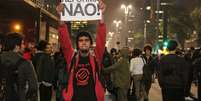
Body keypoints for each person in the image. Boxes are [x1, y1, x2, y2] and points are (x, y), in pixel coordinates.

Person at [56, 1, 106, 101]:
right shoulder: (72, 57)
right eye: (81, 40)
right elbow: (64, 40)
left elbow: (101, 38)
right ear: (77, 44)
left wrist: (101, 16)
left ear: (90, 44)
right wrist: (61, 16)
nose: (84, 42)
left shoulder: (96, 57)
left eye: (87, 40)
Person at [0, 33, 38, 101]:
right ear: (17, 46)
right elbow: (34, 87)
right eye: (22, 43)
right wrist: (26, 97)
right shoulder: (26, 63)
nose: (24, 46)